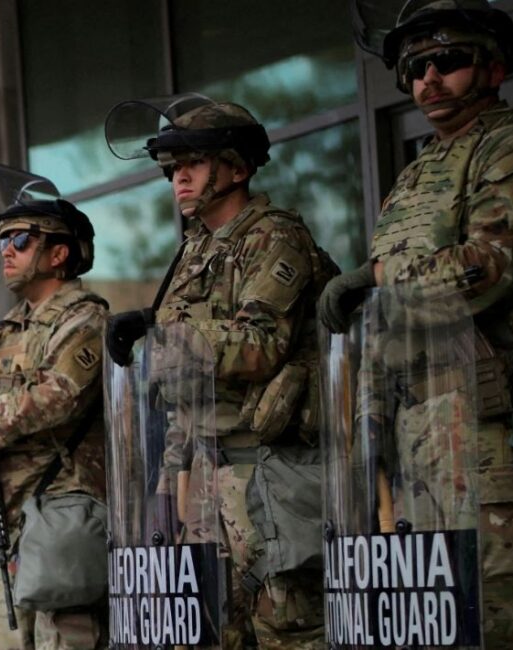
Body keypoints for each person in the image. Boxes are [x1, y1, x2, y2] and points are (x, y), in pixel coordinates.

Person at [319, 1, 513, 645]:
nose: (427, 79)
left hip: (498, 419)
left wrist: (377, 278)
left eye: (448, 61)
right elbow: (390, 321)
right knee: (445, 613)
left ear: (492, 69)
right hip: (424, 428)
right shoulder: (418, 173)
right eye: (415, 67)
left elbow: (486, 270)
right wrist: (370, 425)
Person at [105, 95, 338, 648]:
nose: (178, 178)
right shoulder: (196, 248)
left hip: (269, 468)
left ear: (238, 167)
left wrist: (165, 334)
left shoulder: (272, 235)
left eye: (193, 164)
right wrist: (169, 482)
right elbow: (180, 384)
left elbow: (259, 345)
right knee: (216, 632)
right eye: (171, 168)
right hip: (207, 471)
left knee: (289, 627)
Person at [0, 197, 109, 649]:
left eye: (21, 239)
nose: (6, 251)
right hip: (9, 513)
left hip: (60, 510)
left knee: (66, 638)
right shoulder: (10, 326)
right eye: (3, 240)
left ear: (59, 254)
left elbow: (62, 394)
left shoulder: (85, 317)